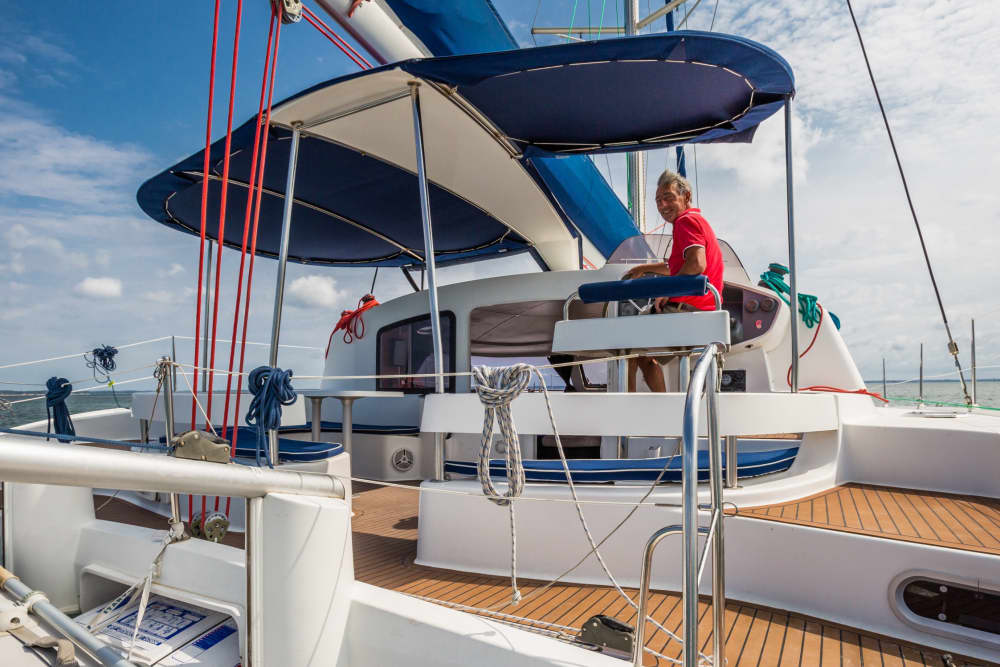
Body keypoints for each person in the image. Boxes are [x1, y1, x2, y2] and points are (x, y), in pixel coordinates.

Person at [620, 170, 724, 392]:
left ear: (686, 197)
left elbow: (696, 264)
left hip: (686, 312)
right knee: (644, 357)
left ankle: (627, 419)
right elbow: (677, 266)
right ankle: (663, 414)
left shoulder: (685, 222)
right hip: (704, 311)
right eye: (658, 200)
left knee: (625, 347)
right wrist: (644, 268)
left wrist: (667, 291)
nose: (662, 205)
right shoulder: (697, 221)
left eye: (668, 197)